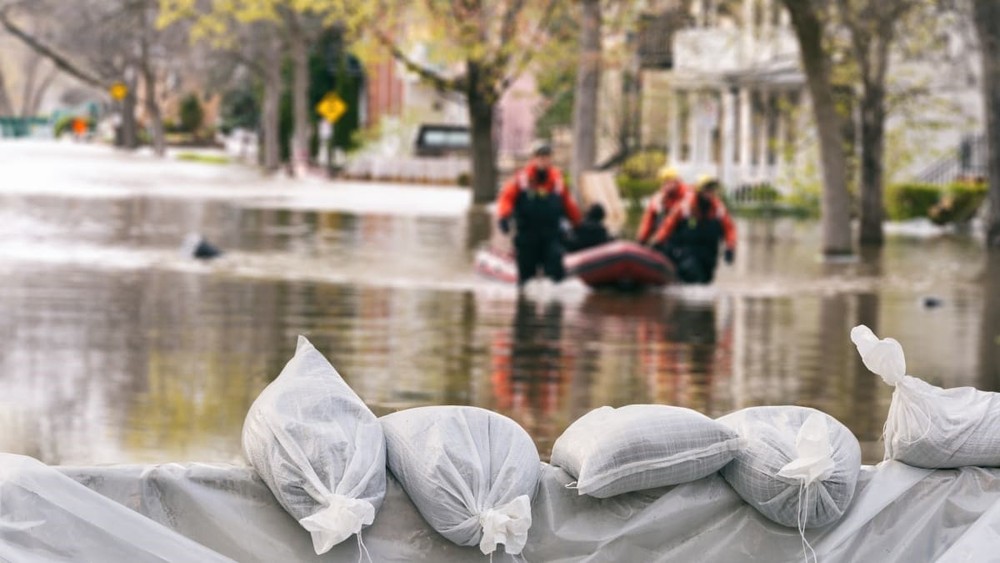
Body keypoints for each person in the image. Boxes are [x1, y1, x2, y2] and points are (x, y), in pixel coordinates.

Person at [496, 142, 582, 285]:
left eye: (546, 156)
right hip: (527, 235)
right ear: (533, 159)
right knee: (526, 279)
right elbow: (506, 198)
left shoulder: (557, 180)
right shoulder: (521, 179)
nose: (543, 160)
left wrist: (578, 223)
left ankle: (554, 304)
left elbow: (568, 204)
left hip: (551, 235)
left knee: (556, 273)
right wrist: (504, 216)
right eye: (540, 156)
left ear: (550, 159)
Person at [649, 175, 736, 284]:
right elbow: (668, 225)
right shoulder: (685, 207)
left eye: (712, 189)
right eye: (707, 189)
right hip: (687, 252)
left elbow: (729, 229)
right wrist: (658, 242)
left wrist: (730, 248)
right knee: (691, 273)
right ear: (699, 191)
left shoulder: (718, 209)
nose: (710, 193)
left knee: (705, 281)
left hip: (709, 254)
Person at [636, 166, 691, 245]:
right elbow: (648, 219)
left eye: (669, 181)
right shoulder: (659, 197)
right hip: (665, 240)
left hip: (682, 240)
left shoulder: (687, 196)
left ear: (677, 181)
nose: (667, 184)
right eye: (665, 181)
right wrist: (641, 239)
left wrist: (658, 239)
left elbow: (673, 218)